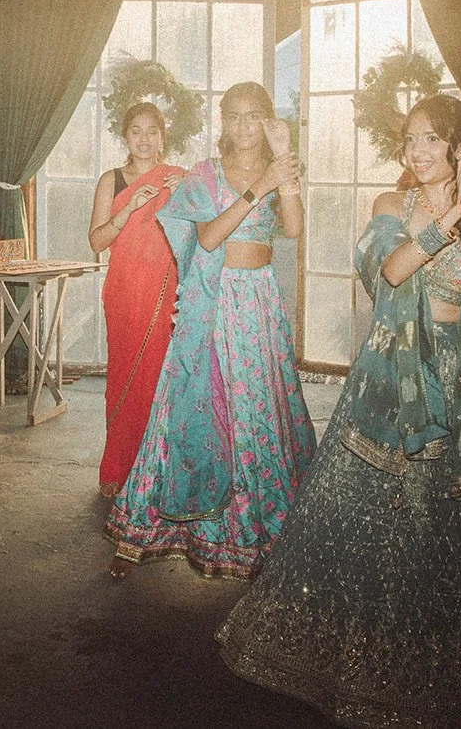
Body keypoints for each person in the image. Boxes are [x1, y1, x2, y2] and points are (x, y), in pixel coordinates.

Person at [218, 93, 461, 725]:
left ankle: (443, 661)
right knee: (384, 520)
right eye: (410, 140)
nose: (417, 151)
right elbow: (394, 272)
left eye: (432, 139)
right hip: (395, 378)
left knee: (451, 521)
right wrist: (446, 218)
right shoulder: (389, 205)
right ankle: (372, 656)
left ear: (459, 145)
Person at [104, 81, 316, 580]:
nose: (242, 127)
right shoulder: (205, 174)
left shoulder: (280, 163)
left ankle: (257, 532)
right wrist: (258, 186)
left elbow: (294, 227)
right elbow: (209, 236)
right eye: (233, 117)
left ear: (268, 121)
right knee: (193, 409)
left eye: (253, 117)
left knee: (260, 413)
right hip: (214, 304)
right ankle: (147, 527)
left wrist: (282, 168)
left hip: (259, 301)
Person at [87, 102, 184, 499]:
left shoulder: (178, 179)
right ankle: (119, 465)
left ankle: (159, 471)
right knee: (124, 377)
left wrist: (184, 202)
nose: (144, 139)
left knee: (163, 380)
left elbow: (202, 240)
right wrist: (129, 209)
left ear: (163, 136)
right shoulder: (111, 180)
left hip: (167, 292)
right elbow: (96, 242)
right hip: (125, 290)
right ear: (125, 136)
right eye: (136, 131)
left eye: (152, 131)